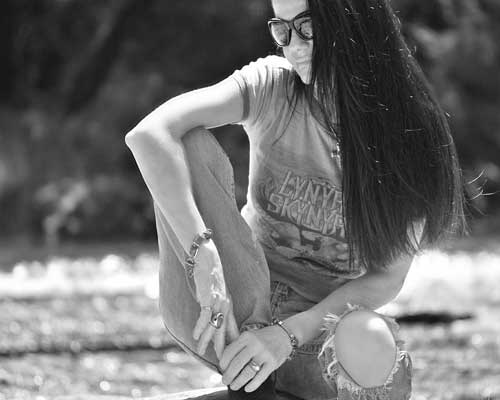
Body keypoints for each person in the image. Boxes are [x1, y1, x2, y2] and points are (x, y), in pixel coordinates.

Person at [125, 0, 466, 399]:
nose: (294, 47)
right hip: (226, 311)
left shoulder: (410, 137)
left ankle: (263, 388)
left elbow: (387, 278)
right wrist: (202, 254)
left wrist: (286, 335)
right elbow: (148, 134)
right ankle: (252, 380)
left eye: (307, 26)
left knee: (368, 336)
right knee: (186, 140)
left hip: (315, 334)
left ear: (355, 22)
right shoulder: (271, 86)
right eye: (282, 30)